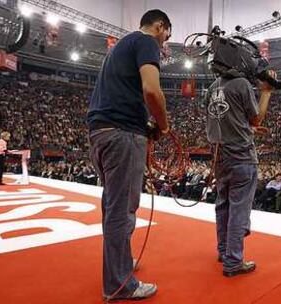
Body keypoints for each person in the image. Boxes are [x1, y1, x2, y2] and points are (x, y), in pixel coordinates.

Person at [87, 9, 171, 301]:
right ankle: (119, 283)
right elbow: (152, 90)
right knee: (122, 210)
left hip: (101, 133)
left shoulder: (120, 47)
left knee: (113, 206)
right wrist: (163, 123)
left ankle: (119, 265)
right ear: (160, 26)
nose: (165, 43)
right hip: (121, 134)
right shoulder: (146, 42)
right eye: (166, 35)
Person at [206, 71, 275, 277]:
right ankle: (233, 261)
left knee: (223, 204)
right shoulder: (241, 83)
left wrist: (244, 129)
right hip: (241, 156)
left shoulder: (212, 87)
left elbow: (221, 120)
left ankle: (223, 251)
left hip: (219, 155)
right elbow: (256, 118)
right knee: (238, 209)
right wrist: (266, 92)